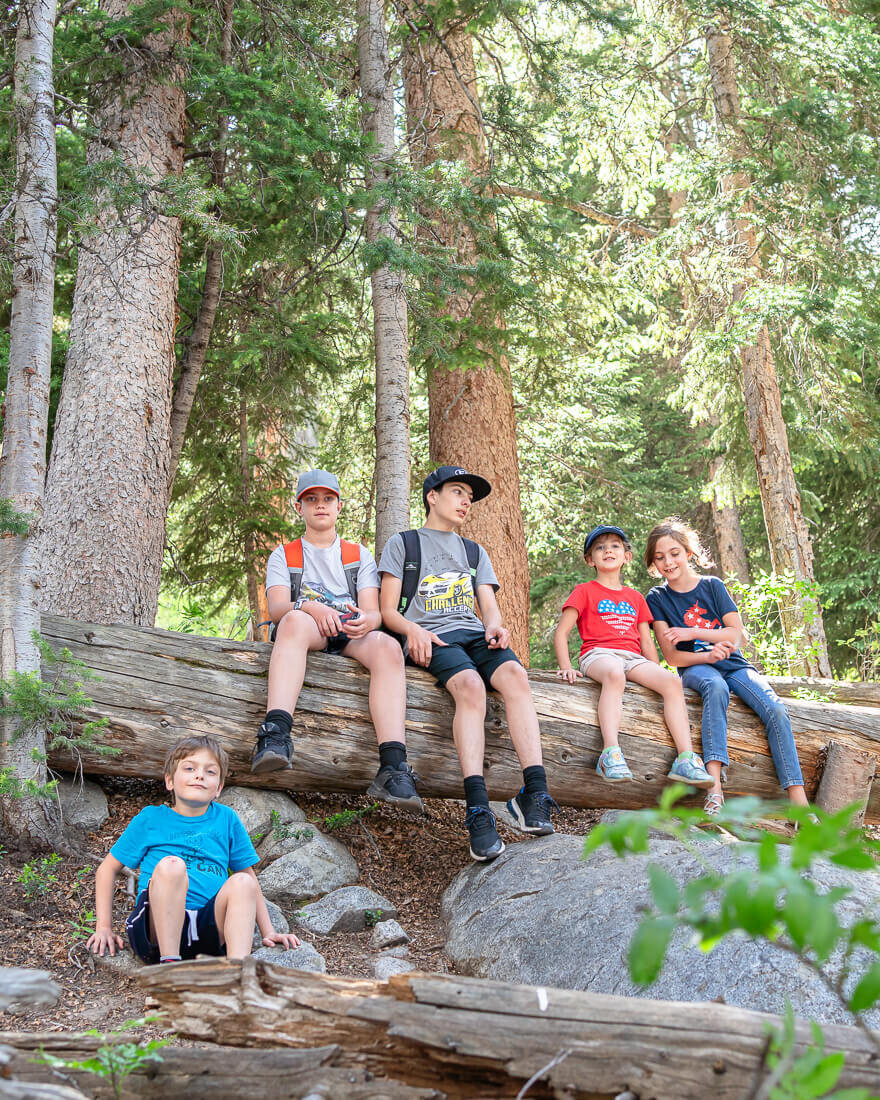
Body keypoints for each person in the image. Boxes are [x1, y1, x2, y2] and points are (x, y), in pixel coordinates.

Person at [379, 465, 557, 861]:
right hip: (432, 637)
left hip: (474, 634)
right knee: (472, 688)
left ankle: (535, 793)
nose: (465, 502)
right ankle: (477, 808)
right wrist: (413, 632)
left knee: (515, 676)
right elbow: (387, 611)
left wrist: (496, 628)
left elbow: (489, 609)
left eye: (469, 497)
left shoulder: (474, 551)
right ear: (432, 496)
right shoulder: (404, 544)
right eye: (457, 492)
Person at [253, 469, 422, 814]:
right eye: (311, 500)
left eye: (327, 499)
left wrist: (366, 622)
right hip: (307, 629)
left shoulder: (357, 554)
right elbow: (277, 608)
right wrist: (310, 606)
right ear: (298, 507)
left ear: (339, 506)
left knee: (389, 647)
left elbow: (374, 613)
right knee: (295, 619)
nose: (320, 506)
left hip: (349, 633)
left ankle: (393, 766)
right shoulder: (284, 555)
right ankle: (275, 734)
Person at [86, 735, 301, 964]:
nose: (200, 775)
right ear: (169, 781)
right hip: (156, 932)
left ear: (218, 788)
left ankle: (238, 972)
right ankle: (169, 965)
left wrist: (268, 931)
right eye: (190, 768)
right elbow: (107, 869)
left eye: (210, 772)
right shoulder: (152, 818)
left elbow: (249, 877)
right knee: (172, 866)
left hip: (207, 932)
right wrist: (104, 927)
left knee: (243, 882)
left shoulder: (226, 819)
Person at [644, 517, 809, 814]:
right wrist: (707, 655)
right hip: (697, 668)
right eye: (659, 557)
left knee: (775, 708)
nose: (668, 562)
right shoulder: (657, 598)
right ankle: (715, 791)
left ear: (688, 553)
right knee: (715, 687)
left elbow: (738, 635)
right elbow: (673, 657)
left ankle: (798, 801)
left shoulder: (712, 586)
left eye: (674, 553)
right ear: (653, 563)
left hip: (735, 665)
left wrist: (693, 632)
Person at [553, 524, 714, 789]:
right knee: (615, 673)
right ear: (589, 559)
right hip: (598, 654)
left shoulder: (635, 597)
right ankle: (610, 753)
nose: (608, 551)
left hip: (632, 658)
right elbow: (562, 633)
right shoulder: (584, 591)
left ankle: (686, 759)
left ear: (626, 556)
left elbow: (645, 640)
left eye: (615, 546)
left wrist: (657, 672)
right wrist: (565, 666)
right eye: (600, 547)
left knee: (673, 683)